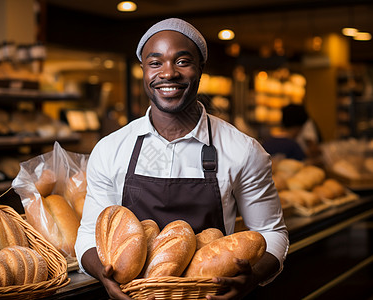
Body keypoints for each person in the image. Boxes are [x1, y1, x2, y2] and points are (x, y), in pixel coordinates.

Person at [75, 18, 289, 300]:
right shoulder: (111, 149)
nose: (168, 73)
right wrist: (104, 274)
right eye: (155, 63)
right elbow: (90, 234)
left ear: (200, 69)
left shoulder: (243, 150)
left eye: (182, 61)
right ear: (142, 71)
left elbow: (271, 232)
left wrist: (253, 277)